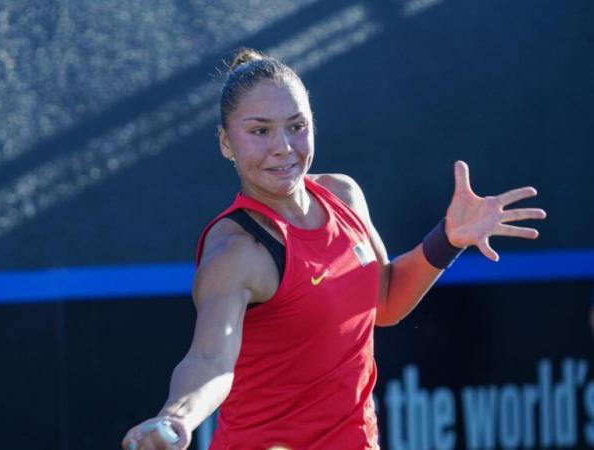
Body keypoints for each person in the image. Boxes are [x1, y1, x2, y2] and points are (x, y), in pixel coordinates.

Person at [122, 48, 546, 450]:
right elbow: (210, 359)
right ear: (226, 143)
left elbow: (384, 302)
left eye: (296, 125)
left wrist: (447, 239)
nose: (283, 147)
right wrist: (175, 418)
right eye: (259, 131)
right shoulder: (236, 251)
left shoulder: (343, 193)